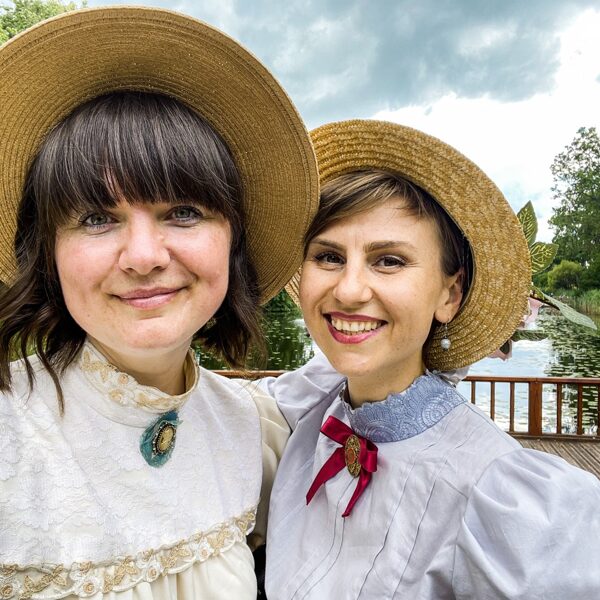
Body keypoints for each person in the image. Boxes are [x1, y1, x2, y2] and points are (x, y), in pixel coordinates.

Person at [0, 7, 340, 599]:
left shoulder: (251, 429)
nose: (142, 256)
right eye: (96, 218)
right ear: (46, 251)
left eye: (183, 212)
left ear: (233, 241)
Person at [265, 120, 600, 599]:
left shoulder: (494, 491)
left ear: (449, 294)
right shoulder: (301, 414)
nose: (349, 290)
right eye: (328, 257)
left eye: (389, 260)